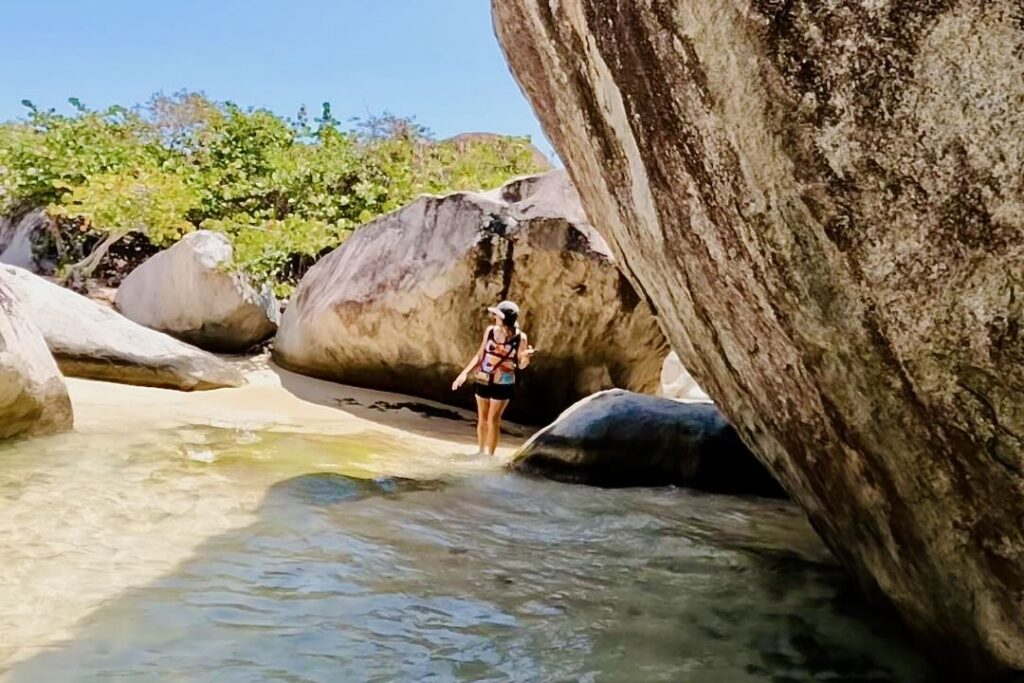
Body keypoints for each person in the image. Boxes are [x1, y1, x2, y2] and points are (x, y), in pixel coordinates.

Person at [452, 300, 535, 456]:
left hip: (504, 382)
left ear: (503, 318)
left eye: (497, 314)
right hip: (484, 378)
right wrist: (464, 373)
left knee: (493, 419)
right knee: (482, 418)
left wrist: (525, 357)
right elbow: (480, 355)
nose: (494, 317)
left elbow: (522, 365)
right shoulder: (490, 331)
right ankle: (480, 452)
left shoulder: (520, 338)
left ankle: (490, 455)